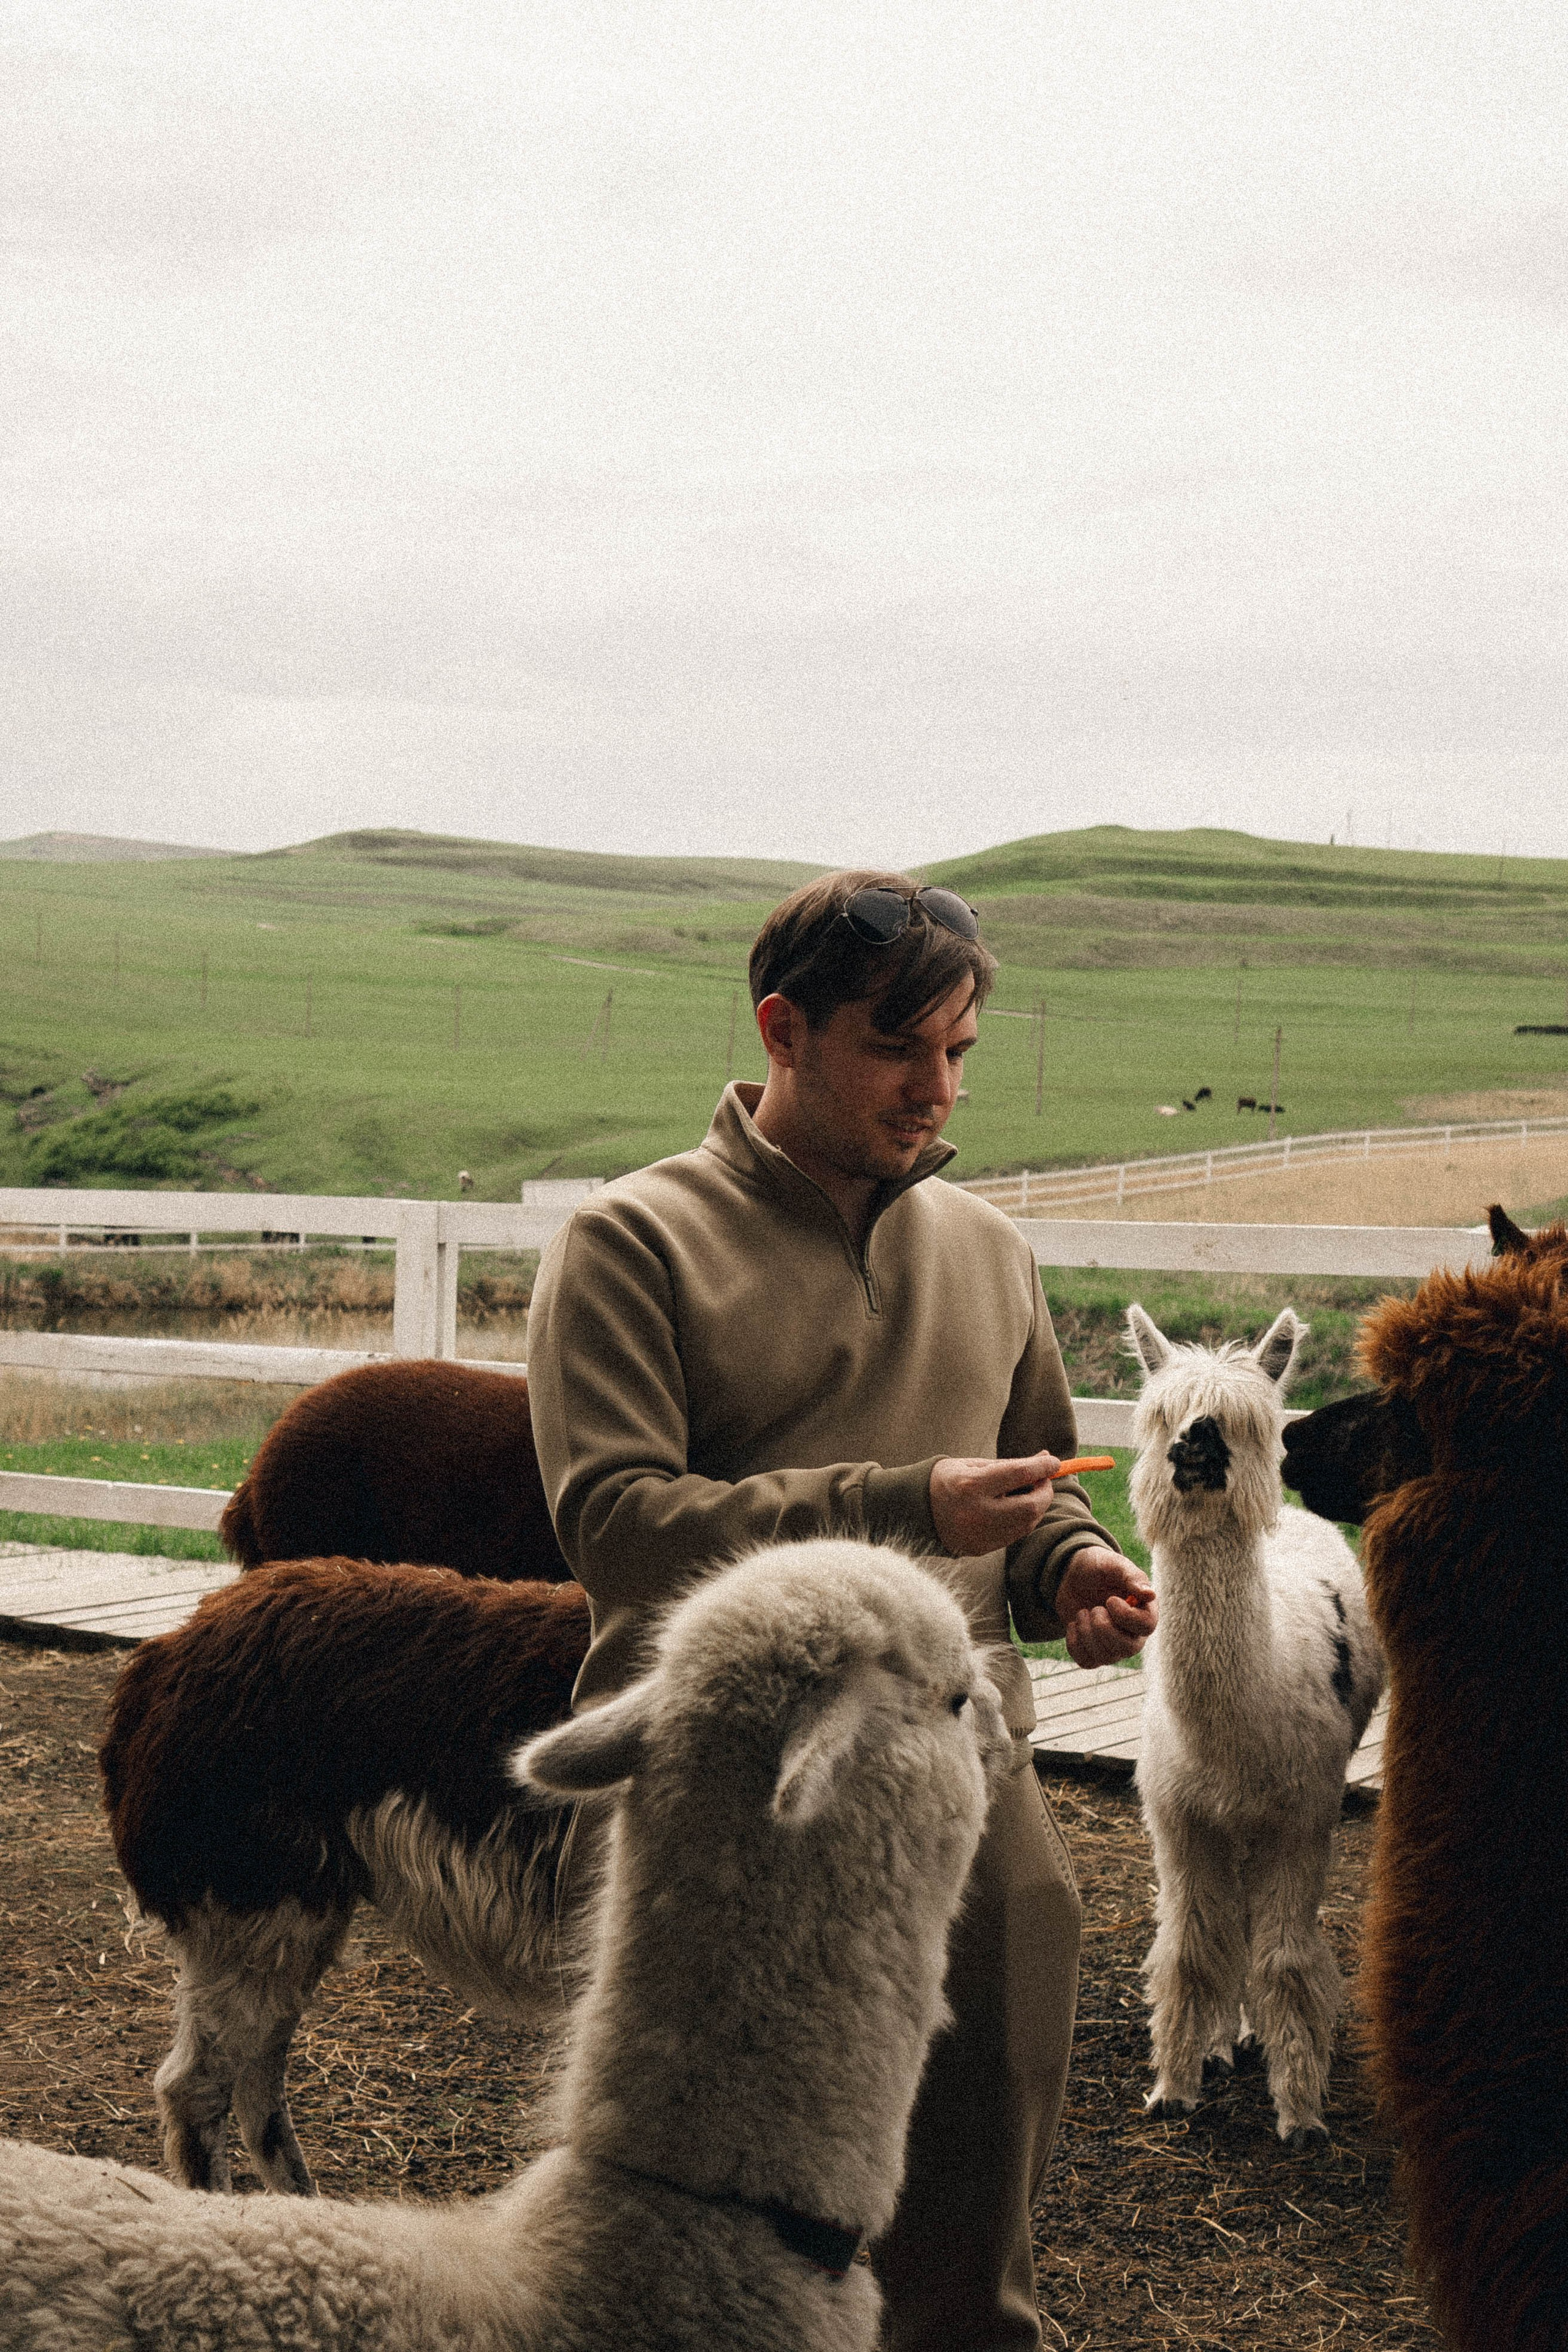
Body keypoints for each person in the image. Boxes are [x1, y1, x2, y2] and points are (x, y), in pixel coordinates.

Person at [526, 870, 1157, 2352]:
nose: (935, 1089)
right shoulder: (629, 1241)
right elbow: (617, 1528)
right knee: (714, 2193)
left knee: (995, 2073)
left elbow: (1033, 1487)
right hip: (724, 1777)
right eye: (895, 1048)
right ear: (782, 1031)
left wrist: (1066, 1567)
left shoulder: (990, 1252)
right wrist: (906, 1505)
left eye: (958, 1052)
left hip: (957, 1756)